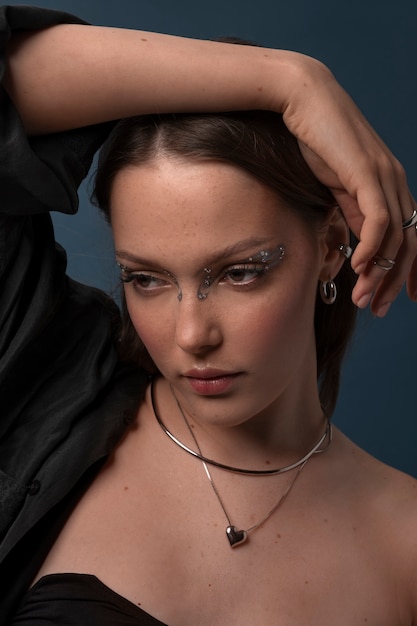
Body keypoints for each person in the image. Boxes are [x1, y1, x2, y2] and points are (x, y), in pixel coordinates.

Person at [1, 5, 417, 625]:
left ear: (332, 249)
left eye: (240, 272)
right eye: (145, 279)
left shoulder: (404, 545)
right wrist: (291, 81)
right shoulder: (43, 389)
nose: (192, 336)